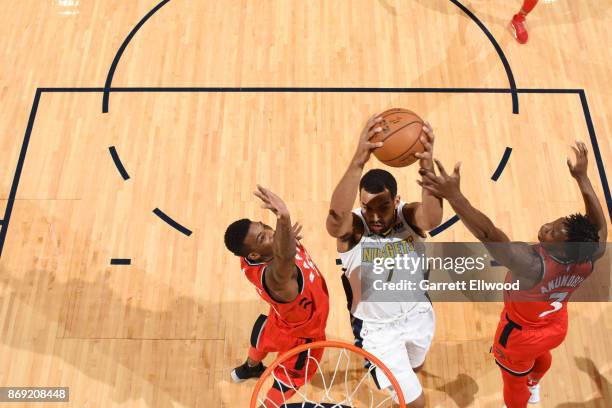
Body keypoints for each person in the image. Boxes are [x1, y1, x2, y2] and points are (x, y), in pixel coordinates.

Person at [418, 141, 607, 408]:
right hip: (555, 325)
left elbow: (488, 234)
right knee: (540, 356)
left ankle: (522, 398)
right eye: (556, 223)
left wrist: (454, 197)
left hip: (518, 336)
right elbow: (599, 226)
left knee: (513, 380)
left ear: (563, 250)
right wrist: (583, 178)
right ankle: (535, 384)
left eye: (552, 234)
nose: (547, 227)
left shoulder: (531, 265)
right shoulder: (589, 256)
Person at [326, 114, 443, 408]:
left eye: (383, 207)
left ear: (396, 200)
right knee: (416, 403)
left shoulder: (409, 217)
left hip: (419, 315)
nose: (375, 217)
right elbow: (335, 220)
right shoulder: (354, 230)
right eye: (368, 208)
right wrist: (357, 160)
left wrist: (426, 166)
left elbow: (433, 217)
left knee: (414, 368)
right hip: (379, 331)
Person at [224, 185, 330, 407]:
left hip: (283, 320)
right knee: (287, 382)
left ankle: (250, 368)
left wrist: (283, 236)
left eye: (265, 226)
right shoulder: (278, 279)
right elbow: (284, 261)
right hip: (305, 336)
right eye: (263, 237)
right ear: (254, 253)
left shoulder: (251, 258)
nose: (271, 233)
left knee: (263, 338)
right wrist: (284, 218)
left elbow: (282, 252)